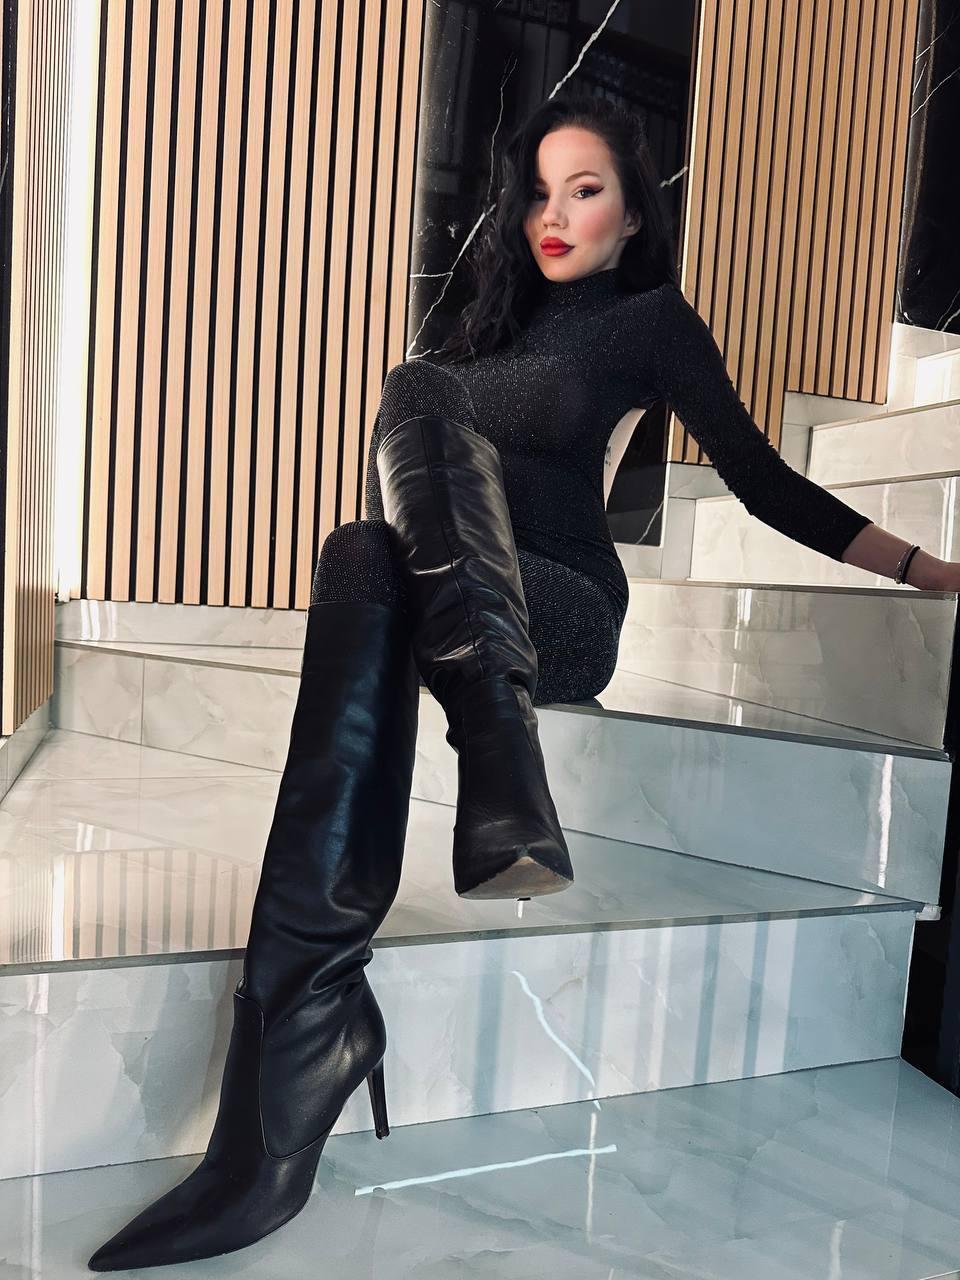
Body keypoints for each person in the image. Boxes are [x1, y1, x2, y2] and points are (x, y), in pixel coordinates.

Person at [86, 91, 959, 1272]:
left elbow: (761, 479)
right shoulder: (483, 329)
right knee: (366, 530)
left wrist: (921, 567)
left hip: (568, 607)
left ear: (631, 214)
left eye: (584, 190)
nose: (555, 214)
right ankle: (455, 820)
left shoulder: (651, 320)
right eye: (538, 191)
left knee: (397, 457)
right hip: (478, 620)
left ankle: (302, 1045)